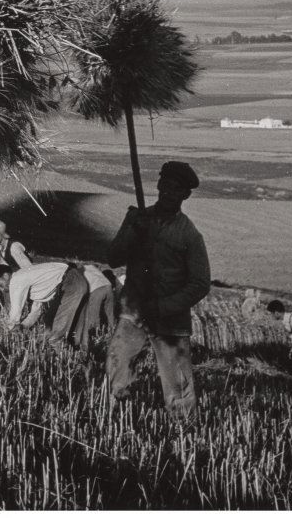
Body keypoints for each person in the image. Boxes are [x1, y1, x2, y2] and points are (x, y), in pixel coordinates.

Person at [106, 161, 211, 417]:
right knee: (116, 369)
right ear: (159, 185)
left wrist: (162, 307)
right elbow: (113, 258)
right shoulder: (137, 219)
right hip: (133, 312)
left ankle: (184, 434)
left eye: (176, 189)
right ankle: (115, 422)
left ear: (185, 195)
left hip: (170, 320)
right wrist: (133, 233)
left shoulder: (190, 236)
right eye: (165, 186)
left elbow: (200, 284)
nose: (168, 193)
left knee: (179, 386)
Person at [0, 260, 89, 347]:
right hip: (74, 281)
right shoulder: (31, 279)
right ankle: (72, 354)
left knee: (55, 336)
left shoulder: (16, 279)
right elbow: (36, 310)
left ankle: (62, 360)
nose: (0, 289)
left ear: (6, 275)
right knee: (52, 324)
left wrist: (9, 329)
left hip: (70, 283)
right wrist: (23, 326)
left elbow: (16, 309)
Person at [75, 263, 117, 345]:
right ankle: (112, 334)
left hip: (96, 290)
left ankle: (95, 339)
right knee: (109, 314)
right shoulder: (91, 267)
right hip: (108, 287)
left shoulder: (78, 272)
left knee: (93, 316)